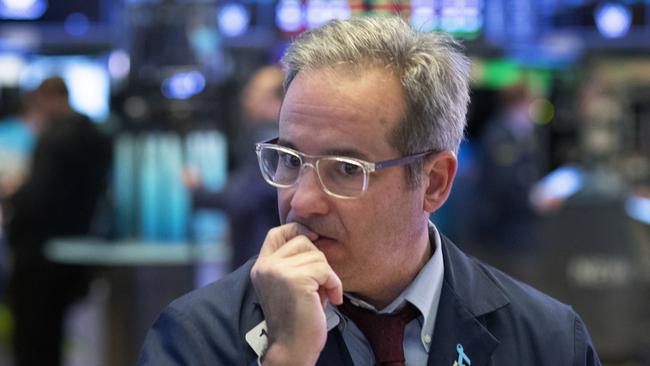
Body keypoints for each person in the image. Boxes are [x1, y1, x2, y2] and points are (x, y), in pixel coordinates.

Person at [139, 17, 600, 366]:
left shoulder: (549, 341)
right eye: (290, 160)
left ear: (434, 183)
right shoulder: (195, 338)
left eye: (345, 169)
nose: (301, 201)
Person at [3, 77, 112, 366]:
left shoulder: (55, 138)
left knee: (34, 337)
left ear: (48, 99)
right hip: (76, 247)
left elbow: (38, 197)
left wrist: (13, 197)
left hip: (39, 253)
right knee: (54, 330)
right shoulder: (94, 134)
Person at [184, 65, 282, 269]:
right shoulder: (272, 137)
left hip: (260, 256)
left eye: (253, 93)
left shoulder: (267, 140)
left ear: (276, 102)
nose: (246, 100)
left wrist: (197, 189)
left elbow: (241, 198)